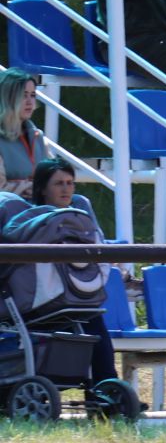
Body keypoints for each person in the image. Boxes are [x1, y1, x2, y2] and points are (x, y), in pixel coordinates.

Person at [25, 158, 121, 391]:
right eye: (59, 183)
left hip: (73, 297)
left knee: (95, 325)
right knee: (90, 322)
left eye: (70, 183)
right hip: (44, 300)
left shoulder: (81, 220)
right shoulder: (31, 221)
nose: (66, 188)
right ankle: (104, 391)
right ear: (42, 189)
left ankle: (107, 390)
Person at [0, 69, 49, 195]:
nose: (30, 102)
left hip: (38, 206)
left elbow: (53, 177)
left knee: (79, 201)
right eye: (23, 95)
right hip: (10, 210)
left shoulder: (38, 137)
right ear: (7, 97)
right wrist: (33, 188)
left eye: (32, 95)